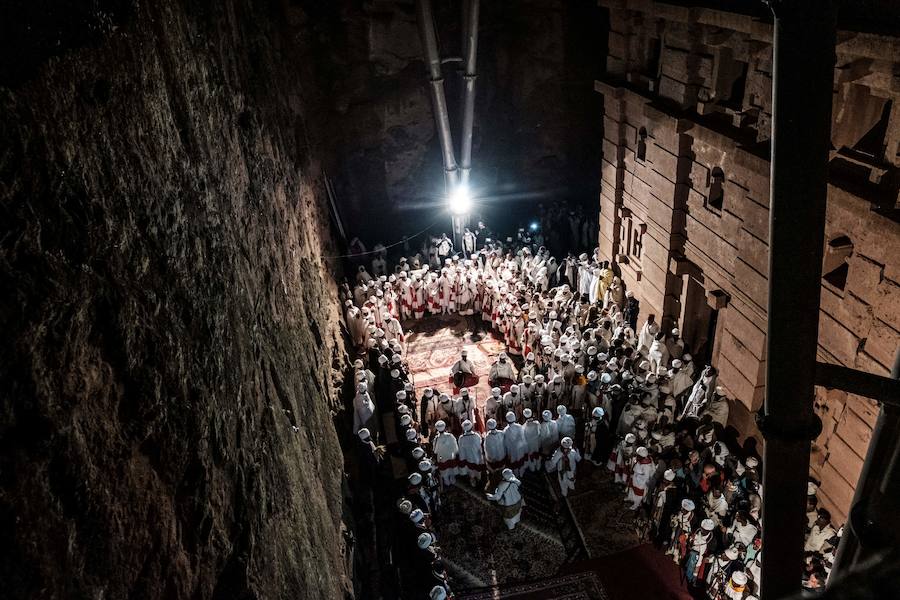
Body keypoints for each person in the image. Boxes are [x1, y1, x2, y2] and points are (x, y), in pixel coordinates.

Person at [457, 419, 485, 487]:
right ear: (471, 427)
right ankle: (479, 481)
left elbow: (461, 449)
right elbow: (480, 444)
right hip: (476, 457)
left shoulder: (461, 438)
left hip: (468, 458)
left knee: (471, 471)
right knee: (478, 471)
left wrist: (462, 460)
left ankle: (473, 481)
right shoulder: (476, 436)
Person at [432, 420, 459, 486]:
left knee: (444, 472)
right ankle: (453, 480)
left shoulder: (436, 439)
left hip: (442, 458)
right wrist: (455, 453)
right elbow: (455, 447)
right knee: (452, 469)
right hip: (451, 456)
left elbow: (435, 451)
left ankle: (447, 482)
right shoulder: (450, 436)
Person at [503, 411, 527, 475]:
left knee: (514, 465)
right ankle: (522, 474)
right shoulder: (519, 426)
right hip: (520, 448)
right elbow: (523, 438)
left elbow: (505, 443)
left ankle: (516, 475)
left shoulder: (505, 430)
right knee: (521, 463)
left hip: (511, 451)